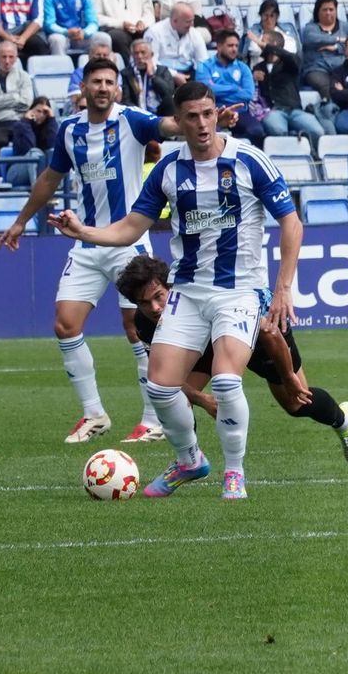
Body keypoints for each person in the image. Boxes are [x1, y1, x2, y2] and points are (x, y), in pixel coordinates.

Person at [45, 80, 303, 501]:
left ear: (217, 113)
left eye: (207, 114)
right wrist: (84, 231)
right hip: (188, 290)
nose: (201, 124)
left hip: (238, 291)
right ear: (178, 122)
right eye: (192, 117)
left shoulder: (250, 160)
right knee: (160, 386)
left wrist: (282, 289)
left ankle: (234, 473)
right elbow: (131, 227)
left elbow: (291, 222)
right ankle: (190, 460)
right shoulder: (167, 170)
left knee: (224, 380)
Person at [0, 58, 208, 446]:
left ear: (118, 89)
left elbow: (171, 125)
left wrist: (203, 121)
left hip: (128, 241)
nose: (104, 88)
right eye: (97, 81)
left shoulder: (132, 120)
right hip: (87, 240)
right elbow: (49, 178)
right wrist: (22, 219)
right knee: (65, 324)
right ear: (84, 88)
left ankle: (151, 420)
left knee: (139, 328)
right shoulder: (69, 129)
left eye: (110, 81)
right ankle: (94, 413)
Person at [117, 255, 348, 464]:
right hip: (207, 343)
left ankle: (344, 423)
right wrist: (202, 399)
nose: (156, 308)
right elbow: (163, 378)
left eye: (159, 296)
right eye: (144, 303)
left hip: (258, 335)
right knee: (171, 395)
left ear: (172, 286)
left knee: (295, 402)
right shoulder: (144, 324)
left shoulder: (204, 298)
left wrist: (287, 376)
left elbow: (270, 333)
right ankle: (189, 462)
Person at [252, 28, 323, 147]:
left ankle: (313, 159)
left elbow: (289, 57)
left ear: (273, 45)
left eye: (263, 41)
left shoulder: (290, 63)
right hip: (273, 111)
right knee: (278, 130)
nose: (260, 43)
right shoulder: (258, 67)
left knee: (317, 131)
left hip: (295, 111)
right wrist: (252, 76)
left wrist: (268, 47)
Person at [196, 30, 261, 142]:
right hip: (213, 112)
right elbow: (205, 91)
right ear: (219, 46)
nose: (234, 49)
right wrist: (235, 88)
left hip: (240, 112)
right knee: (205, 135)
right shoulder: (204, 66)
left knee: (257, 132)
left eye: (236, 46)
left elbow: (248, 94)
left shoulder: (243, 68)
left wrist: (217, 91)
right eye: (230, 45)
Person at [0, 40, 34, 147]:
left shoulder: (24, 76)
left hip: (18, 122)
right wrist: (14, 97)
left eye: (11, 57)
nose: (7, 61)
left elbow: (26, 103)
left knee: (29, 141)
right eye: (3, 57)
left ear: (16, 58)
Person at [300, 0, 348, 99]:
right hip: (316, 69)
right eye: (324, 10)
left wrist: (336, 48)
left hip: (342, 67)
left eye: (331, 9)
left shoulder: (347, 27)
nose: (328, 12)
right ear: (318, 12)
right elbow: (312, 39)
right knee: (328, 87)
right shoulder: (310, 28)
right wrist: (338, 39)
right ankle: (333, 112)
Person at [146, 2, 209, 82]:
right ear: (175, 21)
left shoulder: (194, 33)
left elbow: (203, 61)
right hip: (163, 74)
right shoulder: (154, 32)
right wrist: (174, 75)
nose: (192, 25)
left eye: (192, 21)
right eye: (188, 22)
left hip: (188, 73)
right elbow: (151, 62)